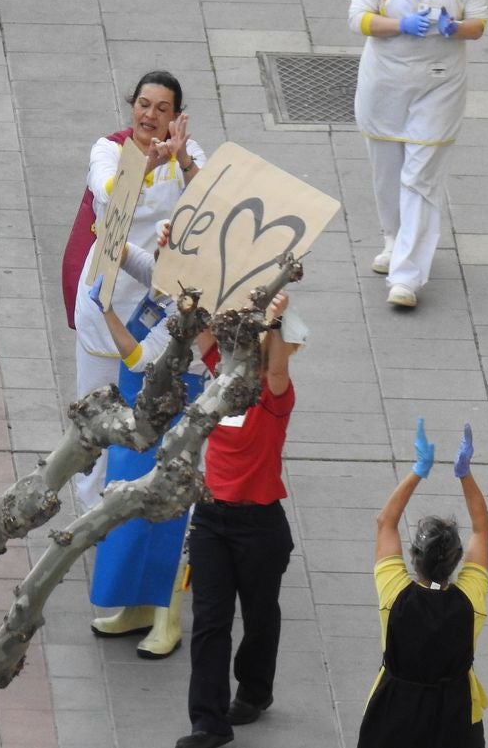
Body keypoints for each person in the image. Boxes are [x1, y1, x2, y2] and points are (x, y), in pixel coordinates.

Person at [349, 0, 488, 309]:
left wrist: (455, 27)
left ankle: (406, 278)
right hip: (385, 83)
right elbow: (359, 19)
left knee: (420, 178)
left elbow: (478, 24)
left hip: (439, 84)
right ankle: (394, 239)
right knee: (388, 173)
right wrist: (399, 25)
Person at [176, 291, 306, 748]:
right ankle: (208, 723)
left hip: (260, 526)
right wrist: (187, 294)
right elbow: (203, 334)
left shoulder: (273, 398)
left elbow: (275, 370)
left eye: (241, 354)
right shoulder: (218, 384)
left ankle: (254, 690)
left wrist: (274, 323)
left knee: (259, 616)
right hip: (212, 519)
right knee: (210, 621)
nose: (230, 362)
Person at [85, 231, 211, 661]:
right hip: (141, 418)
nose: (157, 263)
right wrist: (112, 233)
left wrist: (106, 314)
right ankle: (137, 608)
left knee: (169, 516)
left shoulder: (191, 312)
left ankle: (167, 618)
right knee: (130, 511)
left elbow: (142, 360)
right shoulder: (172, 279)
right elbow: (131, 257)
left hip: (172, 411)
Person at [357, 420, 488, 748]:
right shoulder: (469, 601)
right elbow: (482, 529)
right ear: (458, 560)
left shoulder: (395, 594)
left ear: (414, 557)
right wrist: (465, 474)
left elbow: (385, 522)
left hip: (393, 711)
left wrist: (419, 469)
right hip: (455, 714)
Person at [73, 70, 205, 398]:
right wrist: (147, 164)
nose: (150, 115)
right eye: (144, 105)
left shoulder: (187, 154)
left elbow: (207, 201)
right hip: (107, 295)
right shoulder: (108, 149)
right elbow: (108, 192)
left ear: (176, 117)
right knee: (95, 410)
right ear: (133, 107)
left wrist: (183, 158)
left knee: (150, 412)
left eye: (162, 109)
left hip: (161, 305)